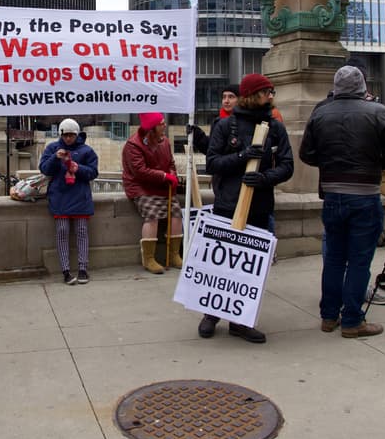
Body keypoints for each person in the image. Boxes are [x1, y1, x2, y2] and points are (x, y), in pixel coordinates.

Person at [300, 66, 385, 338]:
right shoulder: (379, 111)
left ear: (336, 86)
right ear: (362, 86)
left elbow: (307, 154)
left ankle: (328, 316)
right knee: (359, 261)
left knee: (333, 258)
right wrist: (375, 162)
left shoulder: (320, 112)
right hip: (365, 194)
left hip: (332, 194)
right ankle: (352, 320)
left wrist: (330, 162)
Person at [202, 72, 294, 343]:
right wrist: (243, 157)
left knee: (248, 268)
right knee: (219, 264)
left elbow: (287, 165)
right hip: (227, 206)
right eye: (267, 91)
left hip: (259, 207)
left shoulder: (275, 127)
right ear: (255, 95)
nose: (271, 96)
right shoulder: (225, 125)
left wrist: (265, 178)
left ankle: (240, 321)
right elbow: (213, 163)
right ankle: (210, 313)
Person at [121, 112, 183, 274]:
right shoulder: (133, 145)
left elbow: (170, 163)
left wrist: (172, 175)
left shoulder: (165, 142)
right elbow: (140, 171)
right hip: (141, 187)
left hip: (162, 186)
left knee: (176, 213)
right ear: (152, 127)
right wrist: (164, 176)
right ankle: (148, 258)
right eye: (161, 123)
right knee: (152, 214)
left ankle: (174, 254)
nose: (164, 125)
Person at [39, 118, 99, 284]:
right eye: (66, 135)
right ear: (61, 134)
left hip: (79, 197)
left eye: (72, 135)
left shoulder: (87, 151)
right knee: (62, 232)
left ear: (77, 134)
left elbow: (93, 173)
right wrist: (55, 158)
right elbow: (44, 169)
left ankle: (82, 268)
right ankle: (65, 270)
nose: (68, 139)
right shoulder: (52, 148)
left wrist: (77, 168)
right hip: (60, 197)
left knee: (81, 232)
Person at [188, 85, 239, 154]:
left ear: (240, 99)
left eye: (231, 97)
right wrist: (197, 135)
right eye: (224, 97)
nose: (226, 101)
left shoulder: (243, 121)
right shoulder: (217, 122)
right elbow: (211, 150)